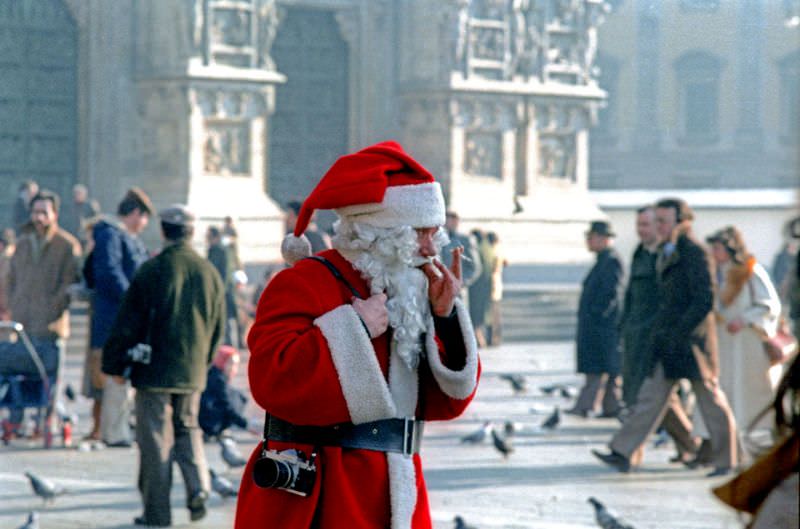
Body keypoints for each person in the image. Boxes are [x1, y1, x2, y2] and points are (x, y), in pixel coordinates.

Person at [235, 141, 481, 529]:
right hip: (324, 493)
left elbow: (445, 404)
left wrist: (445, 316)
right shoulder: (303, 281)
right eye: (420, 233)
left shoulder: (412, 291)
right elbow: (271, 378)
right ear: (379, 231)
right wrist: (354, 328)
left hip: (400, 490)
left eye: (434, 233)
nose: (431, 248)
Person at [592, 198, 738, 477]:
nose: (658, 226)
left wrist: (681, 330)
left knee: (711, 400)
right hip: (669, 340)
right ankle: (622, 451)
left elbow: (704, 299)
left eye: (663, 221)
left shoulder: (695, 252)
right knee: (650, 396)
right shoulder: (664, 251)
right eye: (656, 221)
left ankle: (727, 459)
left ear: (682, 224)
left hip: (692, 342)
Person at [102, 205, 225, 527]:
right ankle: (199, 486)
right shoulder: (208, 271)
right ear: (192, 232)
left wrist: (114, 362)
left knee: (156, 441)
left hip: (154, 369)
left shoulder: (152, 270)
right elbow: (218, 325)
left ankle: (157, 513)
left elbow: (128, 322)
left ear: (163, 230)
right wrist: (205, 362)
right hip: (192, 370)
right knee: (188, 429)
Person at [5, 190, 81, 432]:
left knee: (50, 378)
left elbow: (68, 284)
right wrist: (12, 305)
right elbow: (10, 279)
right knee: (18, 374)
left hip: (51, 325)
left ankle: (47, 421)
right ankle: (15, 421)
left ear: (54, 215)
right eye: (35, 212)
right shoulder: (23, 243)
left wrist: (52, 309)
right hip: (23, 323)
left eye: (43, 213)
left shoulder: (67, 245)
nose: (38, 218)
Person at [87, 188, 153, 446]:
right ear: (136, 213)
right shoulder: (111, 235)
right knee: (115, 377)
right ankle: (114, 432)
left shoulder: (127, 238)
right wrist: (132, 302)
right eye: (144, 217)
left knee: (124, 378)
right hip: (113, 321)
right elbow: (109, 274)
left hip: (127, 321)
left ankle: (120, 428)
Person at [706, 226, 783, 431]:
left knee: (752, 391)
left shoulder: (750, 272)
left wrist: (745, 319)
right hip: (724, 341)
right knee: (726, 388)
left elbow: (769, 305)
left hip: (748, 340)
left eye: (718, 248)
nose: (714, 253)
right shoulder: (715, 273)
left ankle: (758, 431)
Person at [568, 220, 624, 418]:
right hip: (599, 325)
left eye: (591, 238)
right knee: (606, 369)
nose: (588, 242)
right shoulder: (604, 260)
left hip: (602, 327)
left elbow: (611, 294)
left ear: (603, 239)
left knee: (599, 368)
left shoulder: (611, 261)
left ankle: (586, 405)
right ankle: (611, 406)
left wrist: (595, 315)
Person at [619, 206, 660, 408]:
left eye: (645, 225)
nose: (641, 230)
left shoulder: (665, 255)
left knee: (657, 391)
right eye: (638, 225)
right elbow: (630, 293)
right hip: (635, 330)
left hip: (655, 332)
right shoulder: (639, 252)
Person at [199, 345, 248, 440]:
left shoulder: (216, 374)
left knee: (238, 395)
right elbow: (226, 405)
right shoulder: (218, 379)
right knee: (236, 398)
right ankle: (219, 429)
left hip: (208, 417)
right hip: (209, 421)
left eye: (236, 364)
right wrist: (245, 424)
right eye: (231, 363)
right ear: (222, 361)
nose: (234, 368)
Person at [206, 225, 239, 347]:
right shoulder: (212, 250)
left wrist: (221, 291)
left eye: (209, 236)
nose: (207, 239)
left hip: (225, 292)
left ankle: (232, 348)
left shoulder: (222, 251)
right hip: (216, 291)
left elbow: (225, 273)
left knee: (228, 319)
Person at [442, 210, 482, 300]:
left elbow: (474, 267)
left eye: (449, 218)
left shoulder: (465, 240)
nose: (446, 222)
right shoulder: (438, 239)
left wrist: (460, 283)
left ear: (456, 221)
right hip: (440, 291)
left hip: (458, 294)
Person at [468, 229, 492, 346]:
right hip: (485, 288)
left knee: (476, 317)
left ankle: (480, 341)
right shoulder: (487, 249)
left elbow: (477, 269)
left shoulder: (479, 250)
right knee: (480, 316)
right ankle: (481, 340)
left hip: (477, 289)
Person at [485, 231, 507, 346]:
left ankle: (493, 339)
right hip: (496, 287)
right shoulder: (498, 251)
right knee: (495, 315)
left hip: (492, 287)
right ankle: (495, 338)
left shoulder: (493, 252)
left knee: (492, 315)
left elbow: (495, 268)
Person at [62, 183, 101, 248]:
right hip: (73, 234)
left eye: (79, 193)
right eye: (75, 193)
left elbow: (96, 218)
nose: (77, 195)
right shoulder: (71, 206)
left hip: (86, 235)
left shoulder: (90, 205)